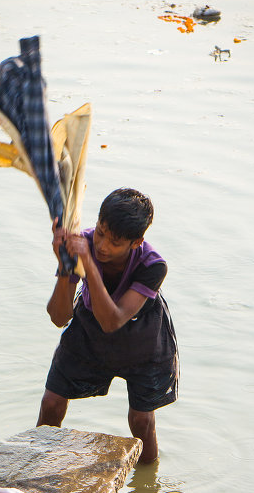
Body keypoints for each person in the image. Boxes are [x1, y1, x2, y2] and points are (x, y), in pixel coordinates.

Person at [36, 188, 178, 463]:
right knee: (51, 402)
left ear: (135, 242)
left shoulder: (153, 266)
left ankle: (146, 485)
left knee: (141, 421)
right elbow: (58, 317)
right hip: (90, 330)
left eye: (114, 242)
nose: (102, 246)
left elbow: (112, 320)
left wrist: (87, 262)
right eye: (100, 232)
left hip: (143, 338)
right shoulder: (82, 243)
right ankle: (38, 465)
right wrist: (66, 268)